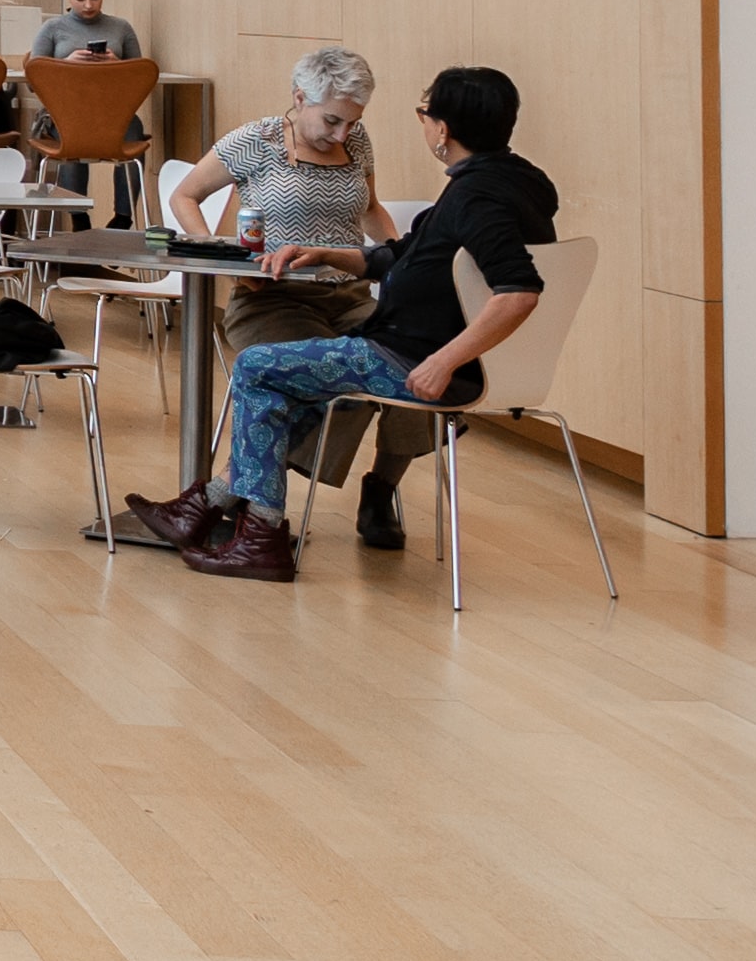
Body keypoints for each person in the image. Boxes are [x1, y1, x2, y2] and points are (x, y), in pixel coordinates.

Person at [126, 66, 556, 580]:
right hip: (398, 339)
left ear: (442, 130)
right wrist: (325, 252)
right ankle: (209, 507)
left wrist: (445, 361)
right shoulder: (515, 182)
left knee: (260, 369)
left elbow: (520, 291)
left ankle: (257, 537)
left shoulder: (477, 198)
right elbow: (401, 257)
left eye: (425, 114)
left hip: (410, 355)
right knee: (292, 381)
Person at [160, 45, 432, 531]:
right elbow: (186, 195)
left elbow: (369, 209)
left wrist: (400, 259)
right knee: (333, 381)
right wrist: (218, 252)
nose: (342, 133)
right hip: (273, 300)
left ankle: (380, 489)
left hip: (346, 295)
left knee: (421, 358)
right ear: (299, 97)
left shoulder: (358, 141)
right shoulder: (257, 139)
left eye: (352, 122)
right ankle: (251, 503)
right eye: (331, 121)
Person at [20, 0, 147, 218]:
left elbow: (139, 78)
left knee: (134, 132)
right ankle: (78, 216)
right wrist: (65, 64)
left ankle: (123, 218)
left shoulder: (121, 28)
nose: (88, 5)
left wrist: (116, 65)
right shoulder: (52, 29)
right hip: (64, 112)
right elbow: (35, 80)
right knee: (74, 136)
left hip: (112, 113)